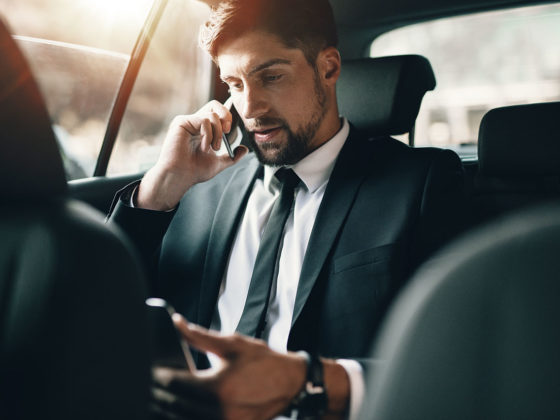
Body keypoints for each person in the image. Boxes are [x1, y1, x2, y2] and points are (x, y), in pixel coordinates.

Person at [108, 0, 465, 418]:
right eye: (234, 84)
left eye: (271, 76)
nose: (251, 107)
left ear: (329, 68)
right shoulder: (198, 186)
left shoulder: (418, 184)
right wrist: (159, 189)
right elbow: (95, 304)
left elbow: (455, 363)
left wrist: (305, 381)